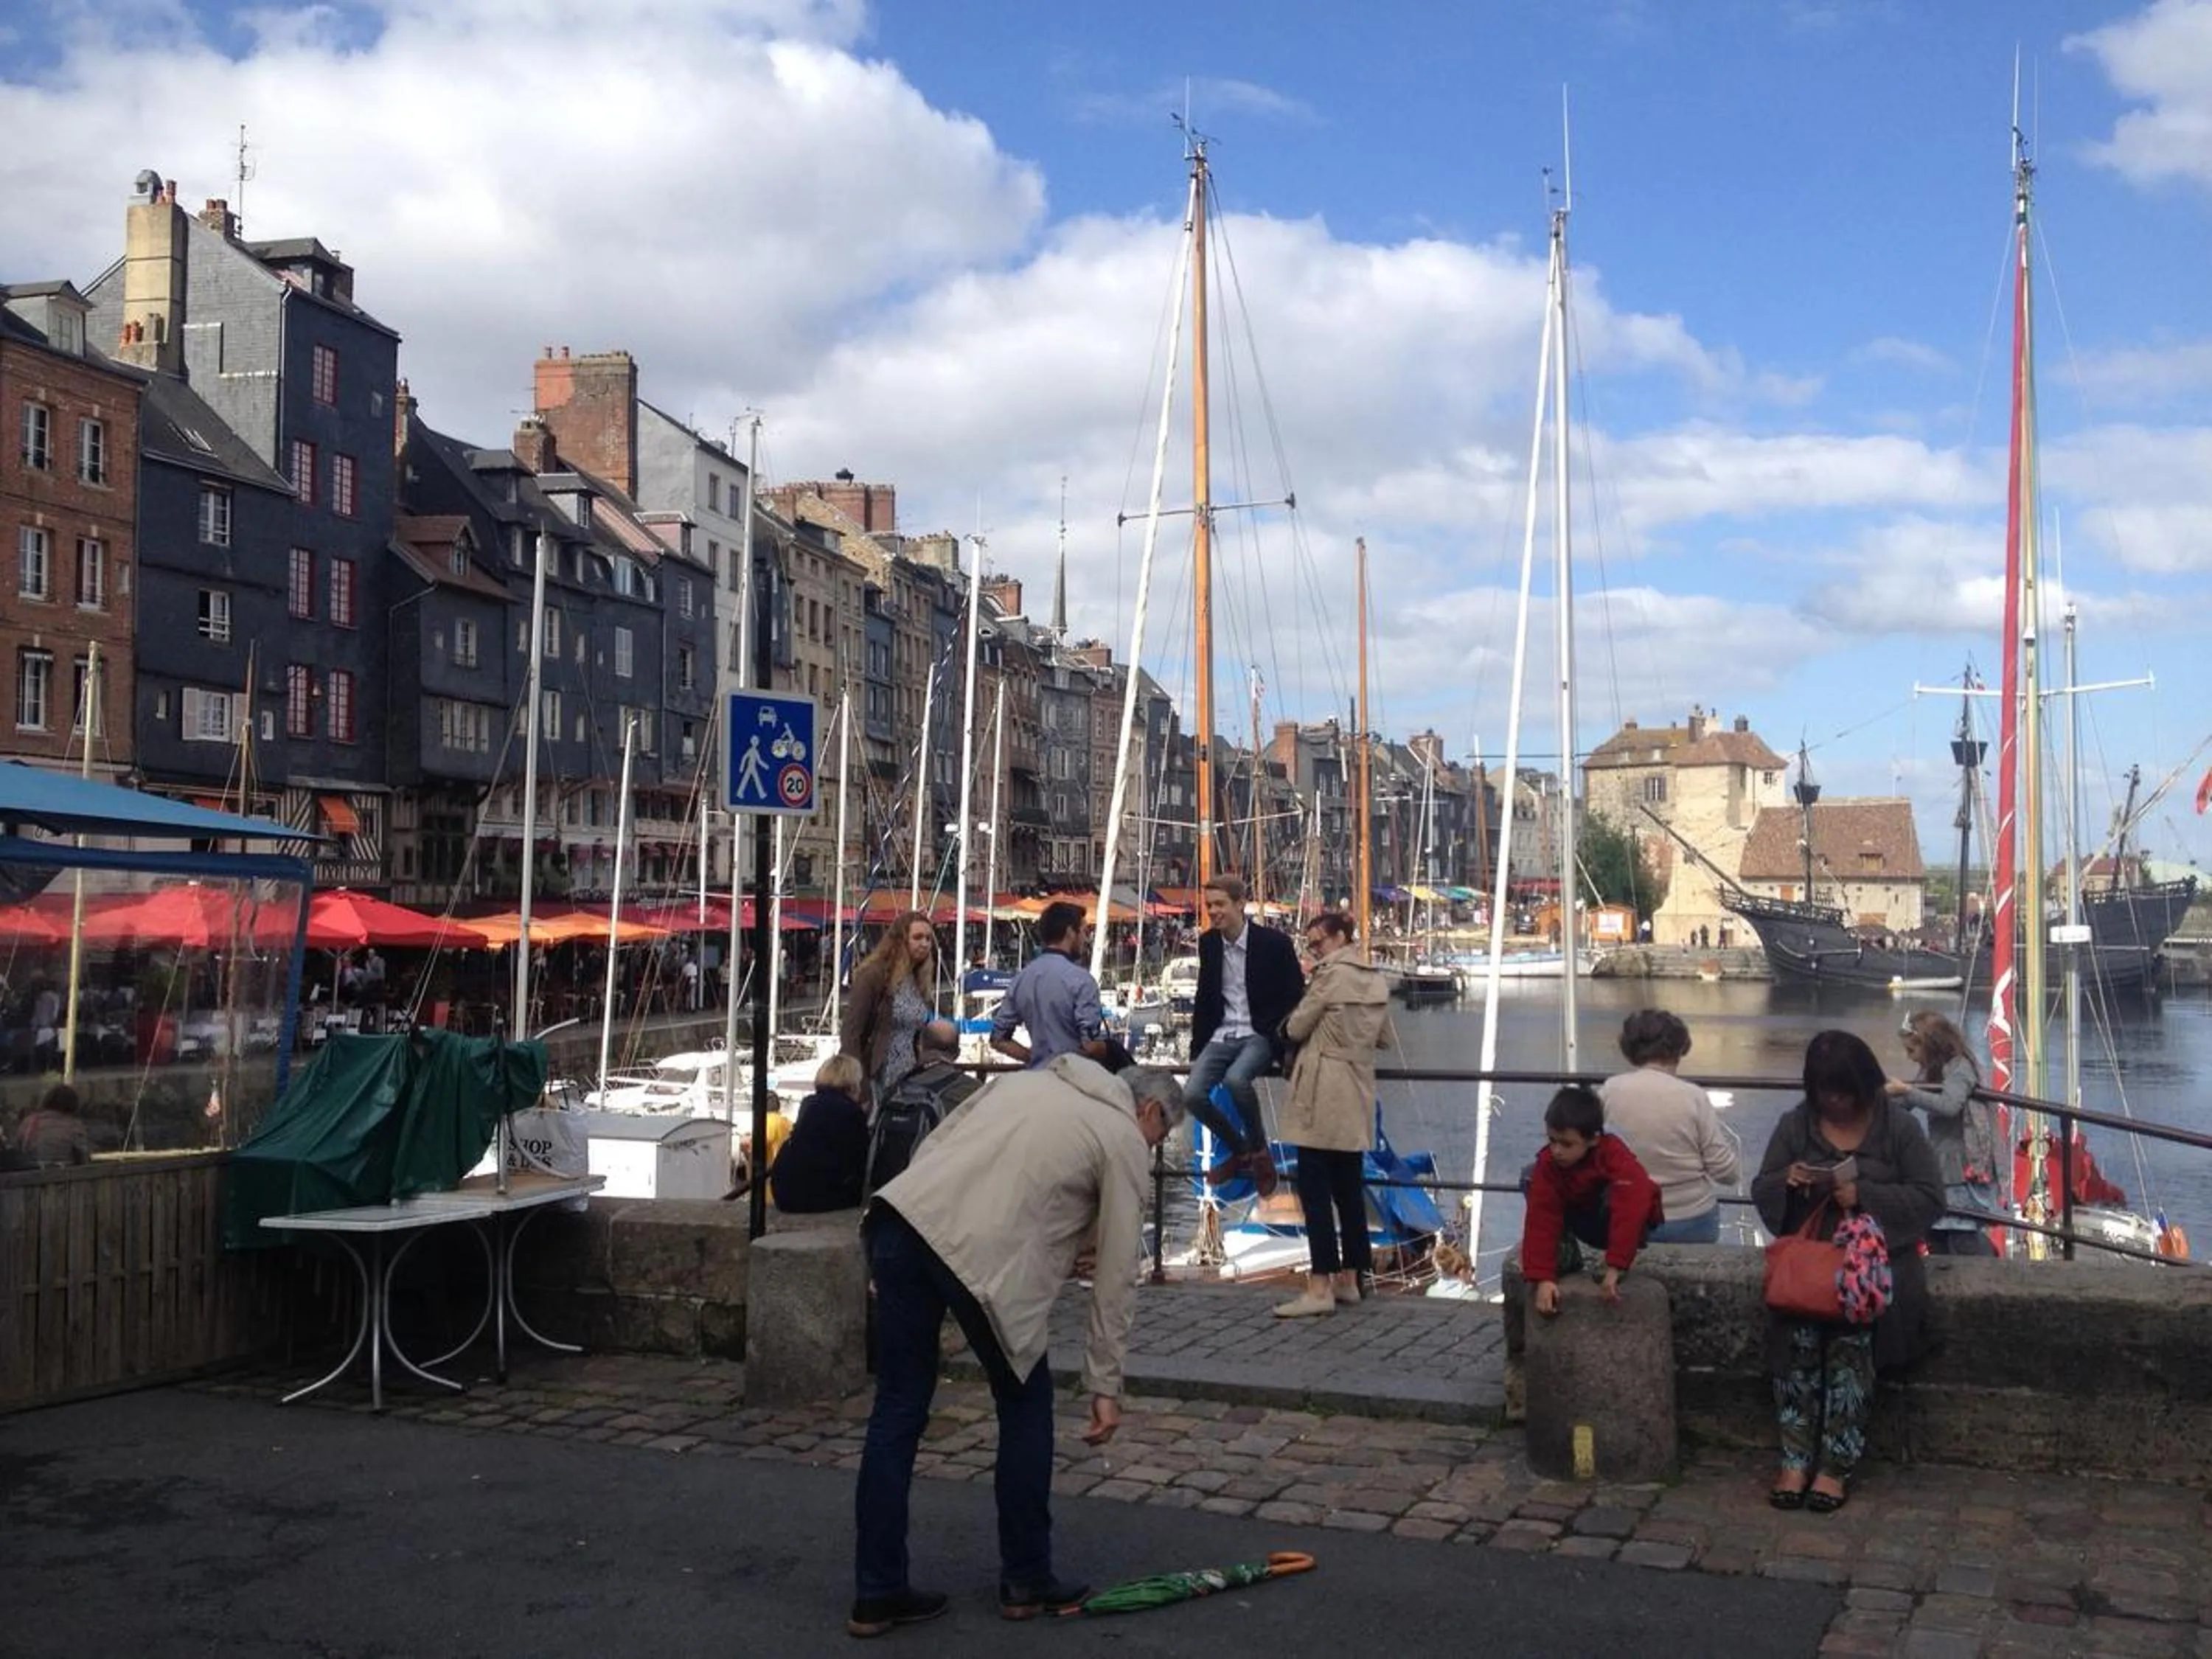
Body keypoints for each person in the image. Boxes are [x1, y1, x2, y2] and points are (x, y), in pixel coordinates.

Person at [849, 1057, 1186, 1638]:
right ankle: (1026, 1578)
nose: (1154, 1149)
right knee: (1025, 1405)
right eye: (1161, 1137)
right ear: (1149, 1111)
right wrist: (1105, 1384)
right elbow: (1117, 1273)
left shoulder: (1025, 1082)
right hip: (977, 1258)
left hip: (903, 1222)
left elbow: (937, 1147)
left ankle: (877, 1593)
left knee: (897, 1410)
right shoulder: (1122, 1138)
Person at [1753, 1030, 1944, 1514]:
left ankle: (1834, 1468)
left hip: (1867, 1273)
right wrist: (1790, 1183)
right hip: (1810, 1269)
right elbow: (1765, 1190)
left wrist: (1866, 1198)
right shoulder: (1795, 1126)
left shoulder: (1898, 1129)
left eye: (1842, 1093)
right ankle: (1794, 1462)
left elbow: (1929, 1199)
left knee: (1851, 1365)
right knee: (1794, 1364)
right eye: (1824, 1094)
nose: (1833, 1103)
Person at [1271, 910, 1396, 1319]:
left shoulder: (1330, 977)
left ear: (1340, 937)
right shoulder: (1375, 977)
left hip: (1321, 1089)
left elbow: (1296, 1028)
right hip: (1357, 1088)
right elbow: (1384, 1039)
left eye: (1318, 942)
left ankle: (1319, 1284)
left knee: (1315, 1193)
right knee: (1349, 1189)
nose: (1313, 950)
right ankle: (1350, 1279)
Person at [1185, 874, 1304, 1197]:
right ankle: (1241, 1152)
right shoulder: (1209, 944)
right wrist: (1197, 1047)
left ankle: (1261, 1153)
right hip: (1222, 1033)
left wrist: (1290, 1045)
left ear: (1240, 904)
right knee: (1192, 1095)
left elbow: (1296, 995)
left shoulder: (1274, 944)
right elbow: (1205, 995)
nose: (1214, 911)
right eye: (1210, 905)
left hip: (1260, 1033)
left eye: (1220, 904)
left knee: (1238, 1080)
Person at [1520, 1084, 1664, 1317]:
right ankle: (1565, 1255)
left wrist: (1616, 1265)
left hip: (1619, 1221)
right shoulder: (1549, 1165)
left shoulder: (1614, 1155)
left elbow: (1632, 1206)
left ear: (1594, 1139)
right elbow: (1541, 1218)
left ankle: (1617, 1257)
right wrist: (1543, 1277)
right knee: (1531, 1178)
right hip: (1584, 1216)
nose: (1556, 1151)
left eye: (1567, 1144)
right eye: (1552, 1140)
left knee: (1622, 1191)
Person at [1599, 1009, 1741, 1244]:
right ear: (1679, 1049)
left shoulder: (1609, 1091)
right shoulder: (1693, 1097)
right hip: (1691, 1218)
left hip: (1628, 1215)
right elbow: (1727, 1173)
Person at [1885, 1010, 2000, 1256]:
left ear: (1929, 1045)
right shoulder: (1931, 1070)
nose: (1910, 1058)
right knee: (1936, 1234)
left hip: (1961, 1167)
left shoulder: (1961, 1068)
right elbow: (1904, 1104)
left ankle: (1983, 1277)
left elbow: (1950, 1105)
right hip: (1941, 1165)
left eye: (1912, 1051)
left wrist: (1907, 1090)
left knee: (1962, 1236)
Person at [841, 911, 956, 1105]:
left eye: (929, 938)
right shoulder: (874, 976)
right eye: (918, 937)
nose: (925, 944)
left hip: (909, 1076)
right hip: (876, 1076)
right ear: (900, 940)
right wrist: (859, 1085)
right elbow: (851, 1033)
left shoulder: (917, 979)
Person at [988, 901, 1107, 1070]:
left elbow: (998, 1039)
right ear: (1070, 932)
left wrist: (1033, 1058)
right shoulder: (1081, 980)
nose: (1085, 939)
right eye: (1083, 931)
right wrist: (1111, 1049)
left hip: (1039, 1076)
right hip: (1075, 1080)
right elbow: (1090, 1046)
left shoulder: (1021, 979)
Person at [768, 1053, 871, 1214]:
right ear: (853, 1082)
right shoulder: (851, 1113)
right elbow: (858, 1160)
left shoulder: (809, 1104)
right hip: (821, 1197)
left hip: (786, 1191)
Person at [14, 1082, 91, 1169]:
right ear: (73, 1104)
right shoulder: (74, 1126)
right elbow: (84, 1158)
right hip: (65, 1176)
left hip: (30, 1175)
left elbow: (17, 1149)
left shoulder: (29, 1122)